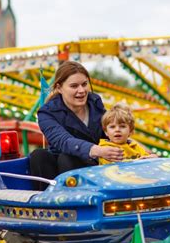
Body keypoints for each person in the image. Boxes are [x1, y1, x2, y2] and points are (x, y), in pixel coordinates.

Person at [30, 61, 124, 190]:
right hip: (62, 169)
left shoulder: (95, 102)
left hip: (97, 166)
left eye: (84, 84)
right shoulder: (47, 113)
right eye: (74, 86)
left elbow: (112, 131)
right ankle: (51, 199)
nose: (82, 91)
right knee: (43, 155)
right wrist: (96, 150)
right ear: (59, 88)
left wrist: (138, 152)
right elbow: (63, 141)